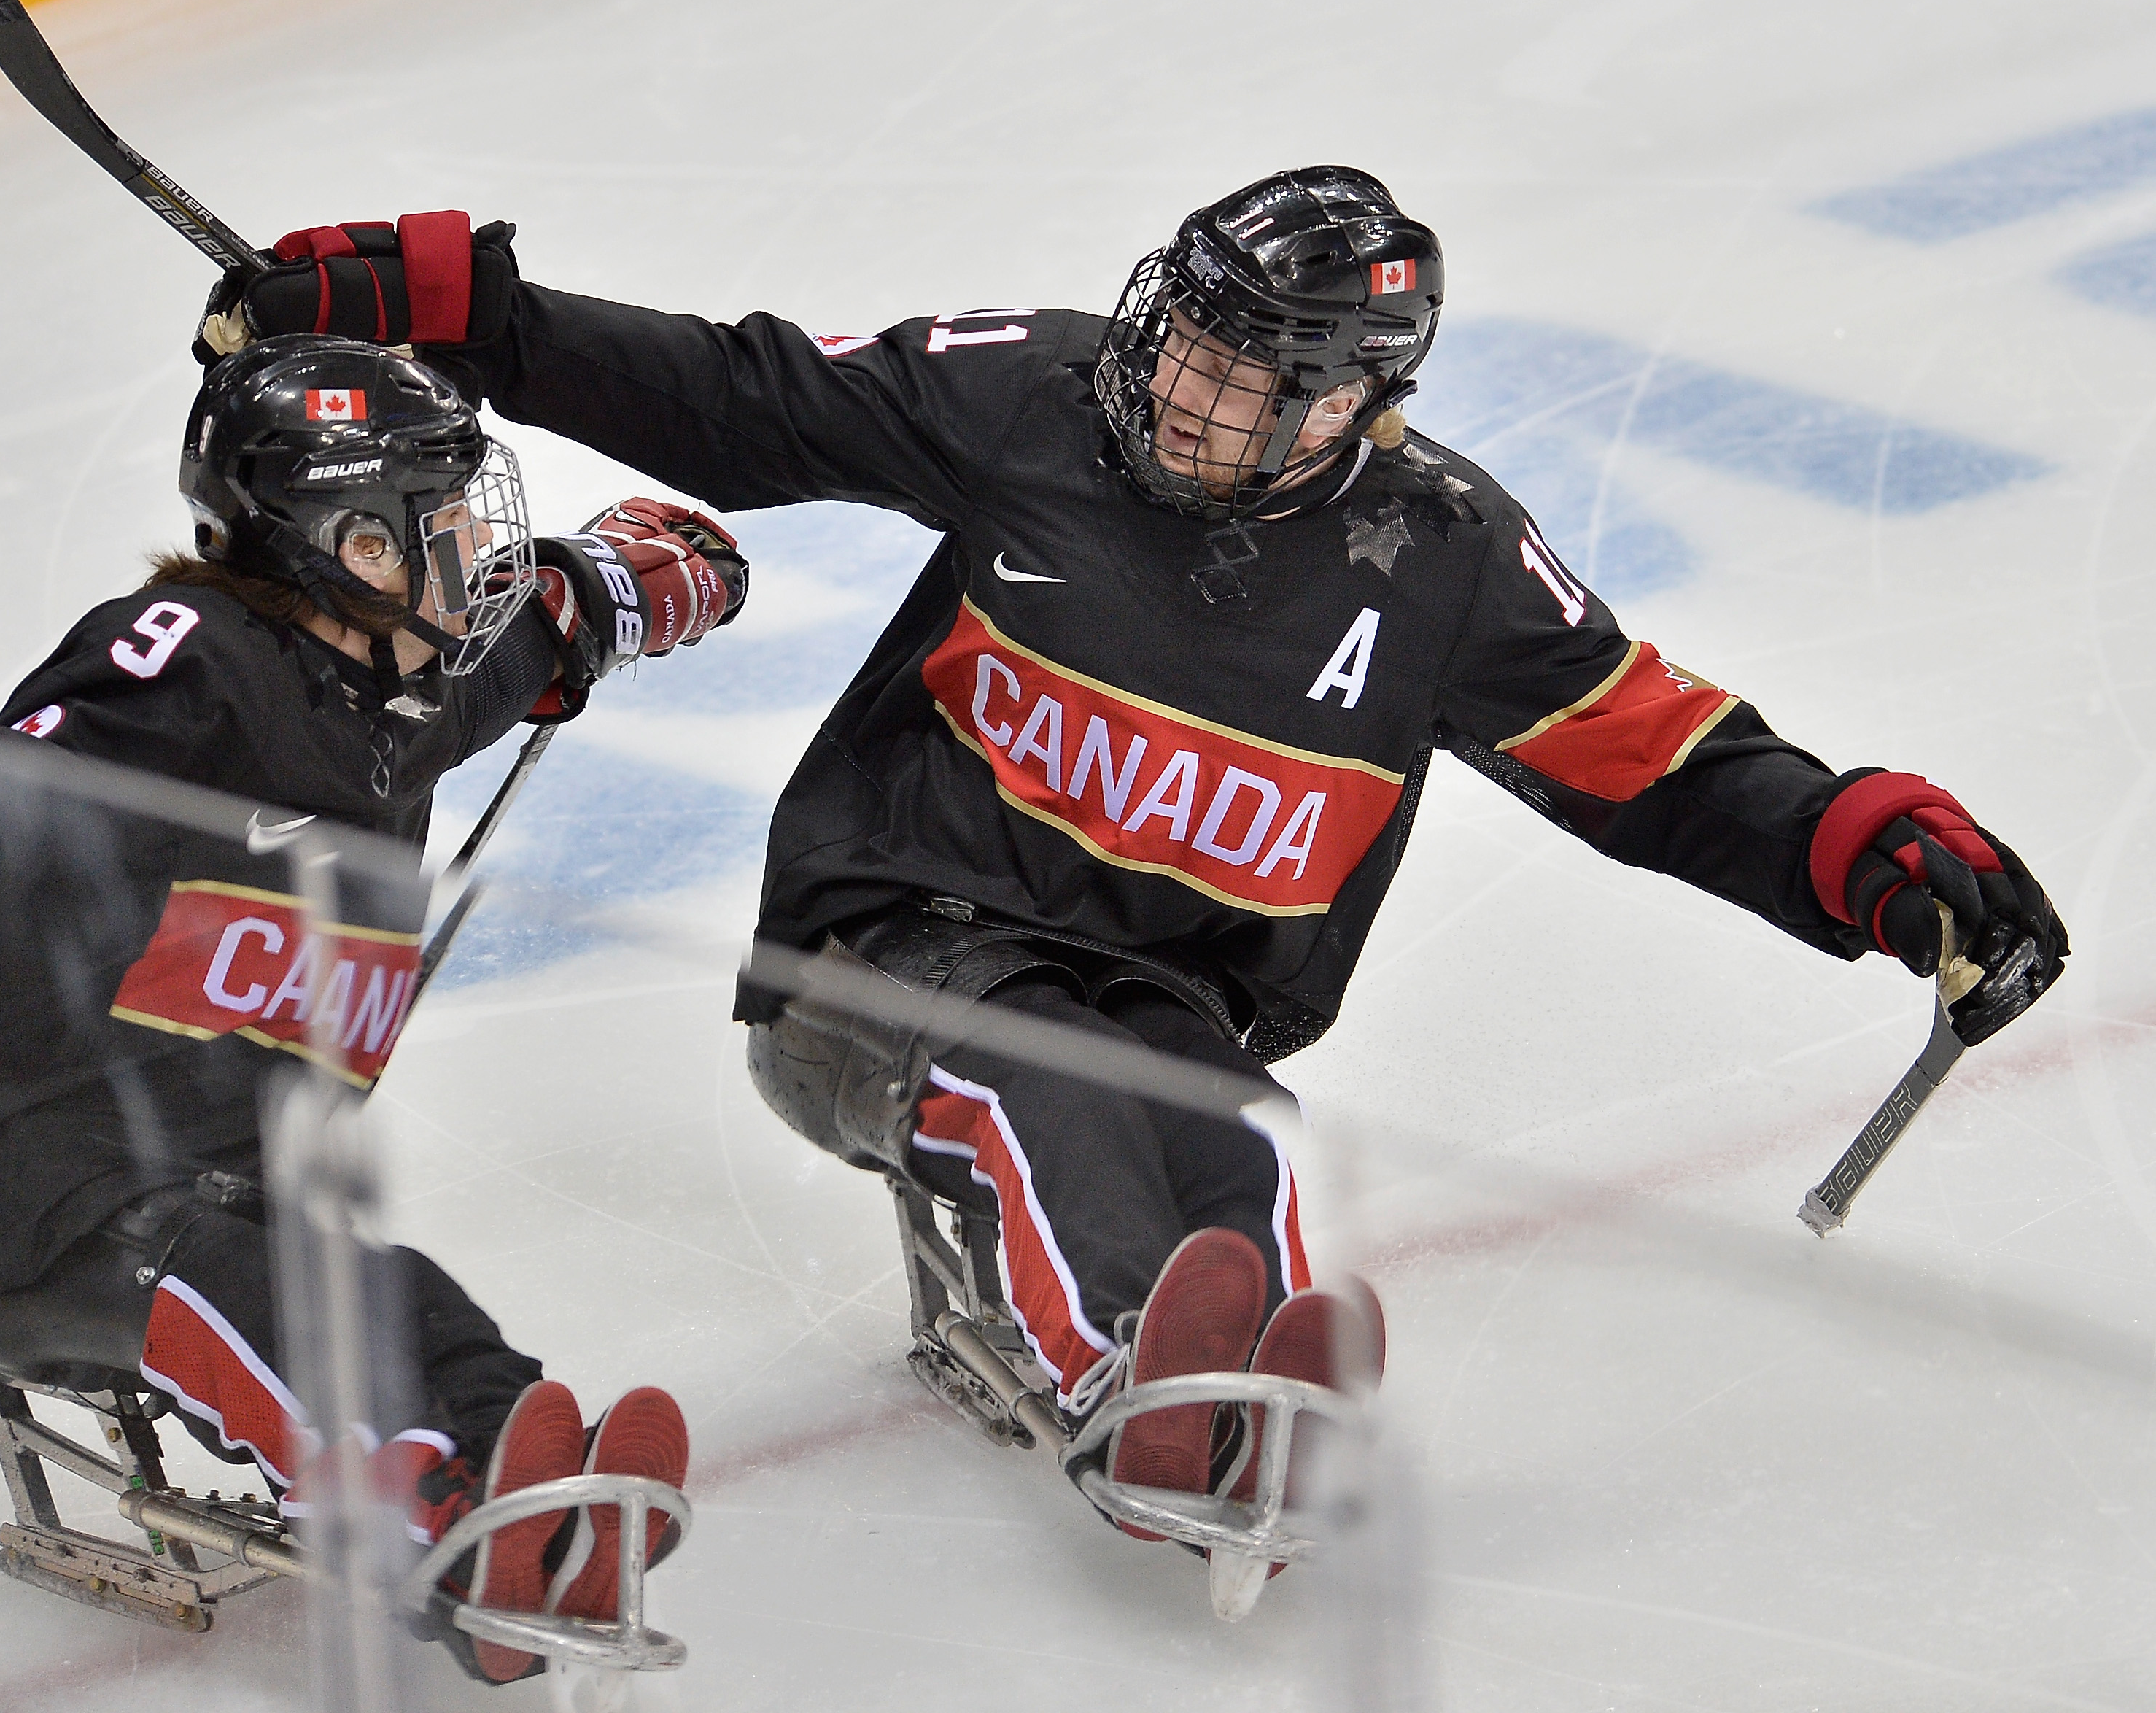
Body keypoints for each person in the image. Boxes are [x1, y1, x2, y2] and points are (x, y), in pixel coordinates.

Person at [180, 177, 2068, 1554]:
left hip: (1162, 996)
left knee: (1228, 1131)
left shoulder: (1440, 557)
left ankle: (1243, 1377)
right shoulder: (1030, 394)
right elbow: (734, 398)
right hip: (879, 954)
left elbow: (1648, 756)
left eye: (1246, 381)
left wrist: (1861, 853)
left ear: (1349, 409)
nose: (1183, 391)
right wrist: (460, 310)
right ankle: (1133, 1389)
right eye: (1182, 338)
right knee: (1041, 1080)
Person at [0, 333, 745, 1681]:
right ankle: (436, 1521)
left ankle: (516, 1483)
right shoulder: (184, 666)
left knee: (393, 1304)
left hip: (202, 1176)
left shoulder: (398, 674)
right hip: (6, 1191)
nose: (477, 555)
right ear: (348, 544)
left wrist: (647, 576)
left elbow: (547, 621)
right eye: (445, 527)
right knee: (263, 1295)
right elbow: (3, 798)